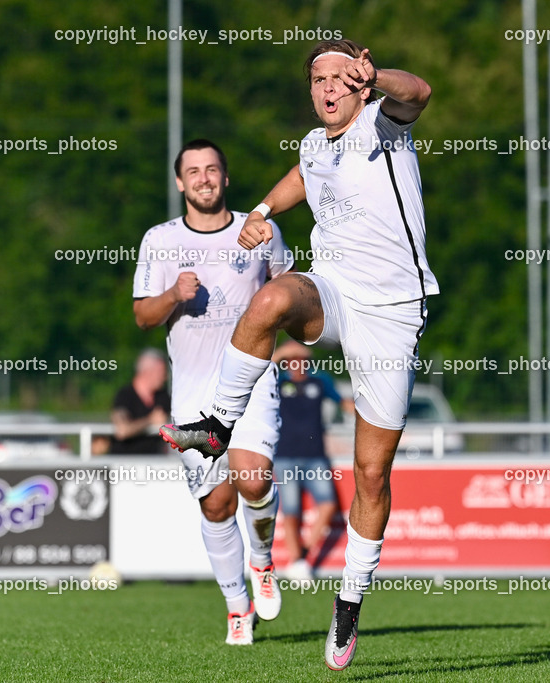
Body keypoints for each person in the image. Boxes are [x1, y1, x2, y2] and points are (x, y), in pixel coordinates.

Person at [160, 40, 436, 670]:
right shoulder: (316, 144)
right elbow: (301, 178)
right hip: (334, 291)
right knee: (271, 300)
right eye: (318, 78)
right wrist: (258, 210)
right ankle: (218, 425)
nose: (329, 87)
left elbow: (418, 92)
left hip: (392, 314)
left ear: (362, 85)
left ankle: (349, 601)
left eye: (342, 76)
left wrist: (380, 75)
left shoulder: (381, 123)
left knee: (370, 474)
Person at [133, 139, 293, 645]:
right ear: (180, 183)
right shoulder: (159, 240)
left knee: (252, 475)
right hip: (192, 396)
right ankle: (236, 609)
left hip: (252, 379)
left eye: (212, 170)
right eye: (193, 172)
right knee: (217, 505)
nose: (203, 179)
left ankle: (262, 561)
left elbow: (291, 291)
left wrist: (294, 344)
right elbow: (142, 316)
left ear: (226, 178)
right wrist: (172, 296)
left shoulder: (260, 231)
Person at [271, 341, 344, 582]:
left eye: (300, 357)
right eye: (291, 358)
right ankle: (297, 563)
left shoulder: (320, 380)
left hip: (316, 456)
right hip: (284, 455)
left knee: (328, 505)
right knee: (291, 512)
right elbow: (261, 369)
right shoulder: (279, 380)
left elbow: (343, 403)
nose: (297, 362)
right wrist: (281, 353)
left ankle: (302, 553)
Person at [108, 349, 172, 455]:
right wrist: (150, 420)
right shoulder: (125, 396)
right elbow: (122, 430)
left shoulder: (163, 397)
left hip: (156, 465)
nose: (165, 377)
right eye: (161, 372)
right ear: (147, 372)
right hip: (125, 464)